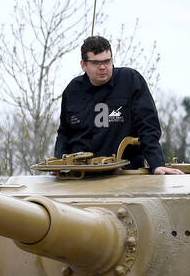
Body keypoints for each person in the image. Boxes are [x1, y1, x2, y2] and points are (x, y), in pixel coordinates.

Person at [53, 36, 183, 175]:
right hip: (79, 177)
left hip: (123, 175)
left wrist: (156, 164)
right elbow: (65, 132)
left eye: (107, 61)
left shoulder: (130, 81)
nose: (103, 67)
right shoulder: (72, 91)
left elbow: (147, 127)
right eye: (96, 62)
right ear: (83, 65)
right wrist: (59, 163)